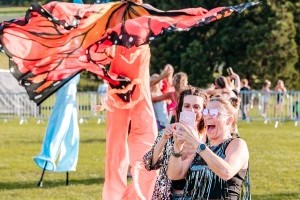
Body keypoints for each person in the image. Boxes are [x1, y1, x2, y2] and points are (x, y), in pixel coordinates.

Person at [167, 94, 250, 199]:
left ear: (229, 120)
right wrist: (178, 146)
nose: (207, 117)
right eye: (206, 112)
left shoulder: (237, 144)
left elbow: (226, 172)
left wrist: (197, 144)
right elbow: (174, 175)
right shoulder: (204, 149)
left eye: (214, 113)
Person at [143, 86, 208, 200]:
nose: (191, 110)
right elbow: (149, 163)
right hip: (168, 195)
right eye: (187, 106)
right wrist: (163, 138)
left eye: (196, 107)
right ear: (180, 109)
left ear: (204, 110)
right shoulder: (168, 133)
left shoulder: (209, 137)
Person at [34, 74, 80, 185]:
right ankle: (48, 156)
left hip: (71, 94)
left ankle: (66, 163)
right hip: (66, 91)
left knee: (71, 131)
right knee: (59, 126)